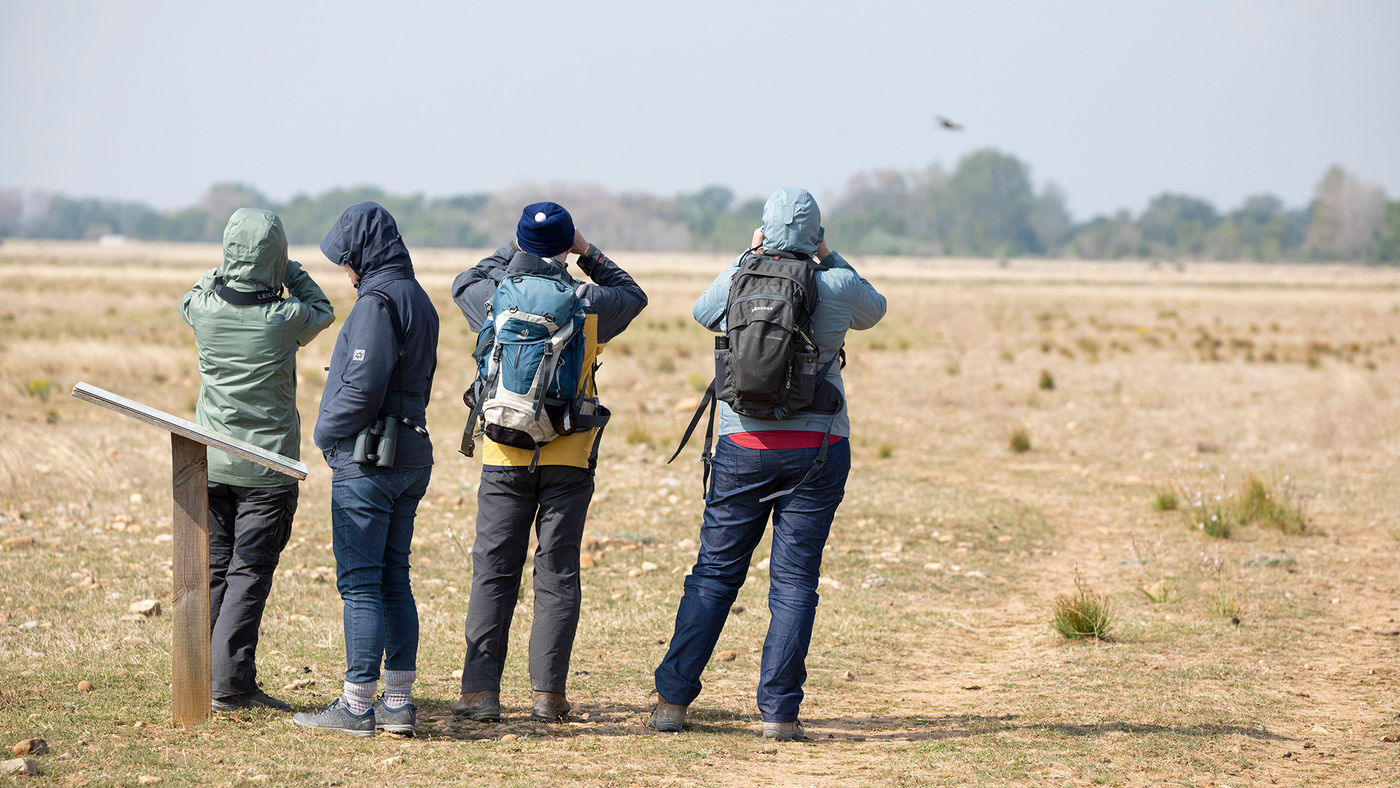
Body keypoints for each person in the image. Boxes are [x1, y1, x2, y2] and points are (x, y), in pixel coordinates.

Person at [651, 187, 886, 740]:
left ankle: (672, 703)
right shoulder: (835, 282)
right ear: (816, 233)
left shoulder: (741, 276)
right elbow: (875, 310)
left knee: (713, 574)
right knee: (795, 583)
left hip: (743, 448)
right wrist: (830, 256)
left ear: (763, 229)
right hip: (818, 449)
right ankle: (779, 715)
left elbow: (700, 312)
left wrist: (746, 256)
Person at [450, 202, 646, 723]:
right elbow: (635, 294)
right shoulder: (589, 300)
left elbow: (463, 280)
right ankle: (548, 696)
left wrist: (514, 251)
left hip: (503, 450)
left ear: (519, 244)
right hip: (570, 451)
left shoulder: (493, 297)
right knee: (557, 572)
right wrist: (588, 252)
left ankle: (479, 693)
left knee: (493, 571)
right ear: (566, 246)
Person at [292, 202, 439, 737]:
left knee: (360, 583)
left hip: (370, 461)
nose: (344, 272)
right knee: (394, 578)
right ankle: (397, 704)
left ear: (360, 255)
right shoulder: (419, 299)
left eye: (344, 261)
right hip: (411, 454)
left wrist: (324, 433)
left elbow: (362, 387)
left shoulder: (377, 304)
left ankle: (356, 706)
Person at [179, 208, 335, 713]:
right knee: (250, 573)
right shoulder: (284, 318)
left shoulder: (204, 309)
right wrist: (287, 270)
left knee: (219, 570)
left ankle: (209, 677)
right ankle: (231, 686)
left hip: (212, 465)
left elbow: (193, 294)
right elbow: (323, 307)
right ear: (277, 257)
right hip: (267, 472)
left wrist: (228, 269)